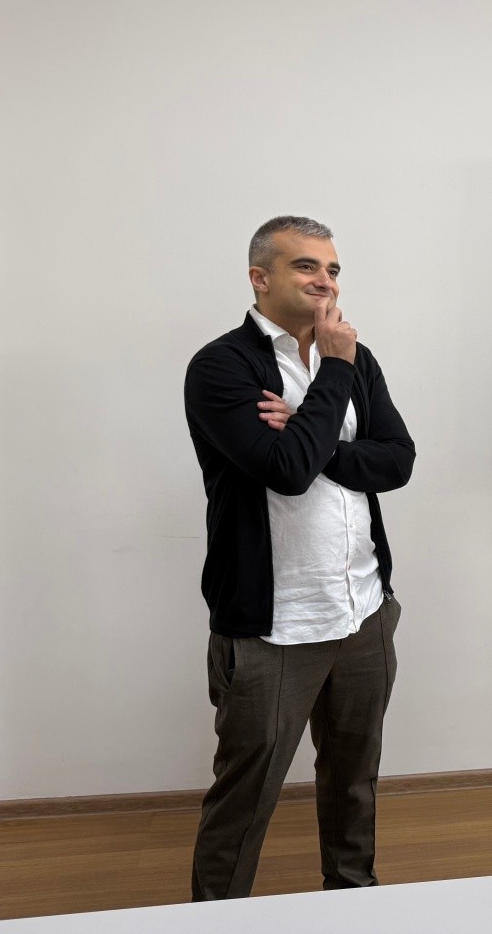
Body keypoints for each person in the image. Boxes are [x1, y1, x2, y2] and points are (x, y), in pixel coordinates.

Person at [184, 215, 414, 901]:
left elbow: (397, 460)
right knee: (245, 797)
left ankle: (353, 901)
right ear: (260, 277)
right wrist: (333, 372)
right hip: (273, 628)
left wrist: (319, 440)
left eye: (333, 269)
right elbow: (285, 471)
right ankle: (214, 917)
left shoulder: (357, 358)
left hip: (363, 612)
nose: (325, 281)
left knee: (354, 782)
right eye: (306, 266)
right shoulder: (221, 366)